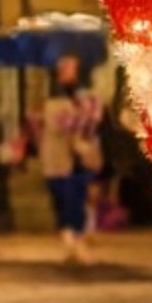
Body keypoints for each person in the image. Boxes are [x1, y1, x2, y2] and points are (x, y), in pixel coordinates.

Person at [35, 53, 104, 265]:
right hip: (59, 161)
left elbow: (93, 122)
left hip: (79, 159)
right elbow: (59, 125)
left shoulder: (87, 99)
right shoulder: (54, 103)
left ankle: (77, 243)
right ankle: (71, 243)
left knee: (78, 201)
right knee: (64, 201)